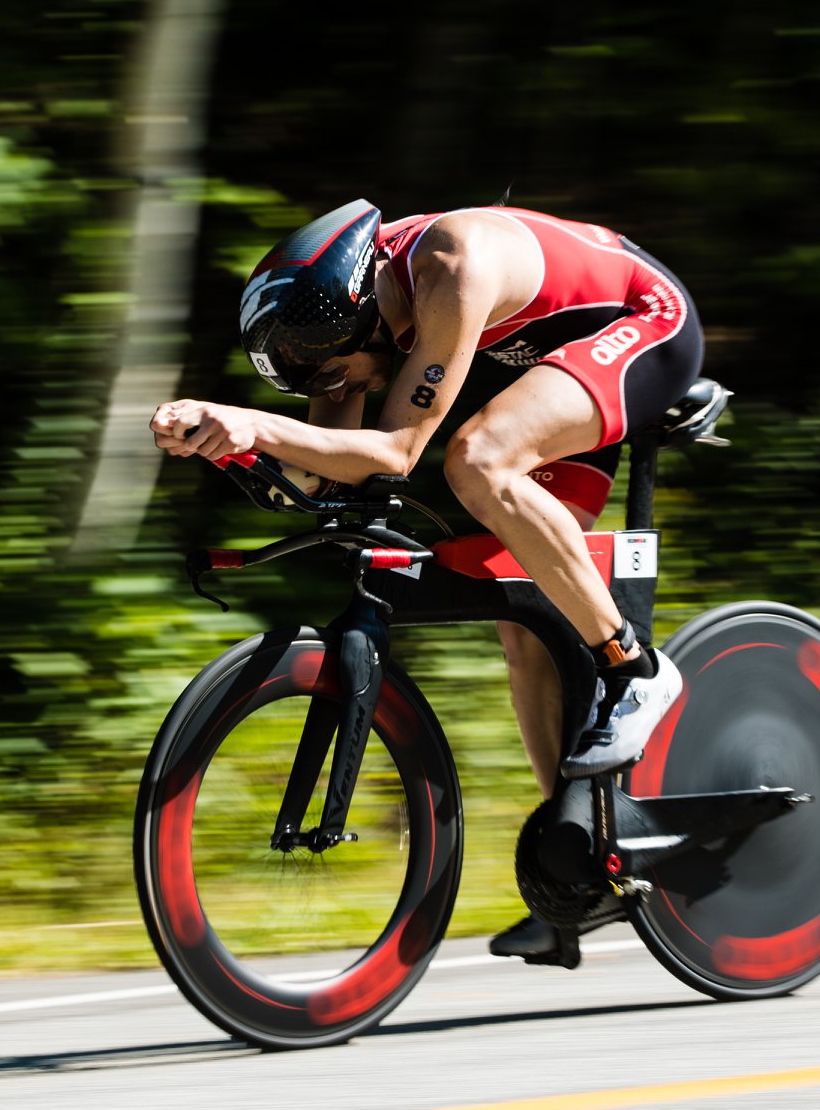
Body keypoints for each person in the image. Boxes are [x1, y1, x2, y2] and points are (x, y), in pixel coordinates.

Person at [149, 199, 702, 963]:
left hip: (642, 321)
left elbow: (399, 451)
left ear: (358, 325)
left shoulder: (449, 266)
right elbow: (326, 460)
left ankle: (632, 669)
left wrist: (256, 424)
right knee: (526, 605)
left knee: (476, 460)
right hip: (548, 355)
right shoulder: (346, 319)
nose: (333, 385)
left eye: (336, 370)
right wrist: (219, 439)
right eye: (317, 377)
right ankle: (576, 866)